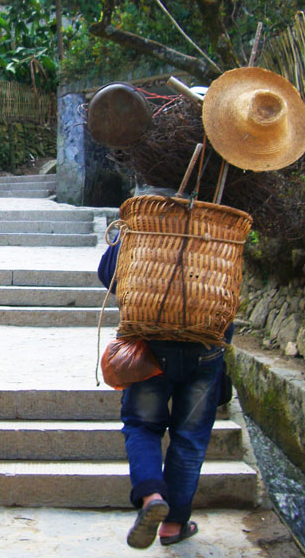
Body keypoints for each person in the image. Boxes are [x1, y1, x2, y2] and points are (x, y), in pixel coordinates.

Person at [98, 193, 232, 549]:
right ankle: (173, 526)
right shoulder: (219, 228)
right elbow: (228, 295)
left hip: (149, 346)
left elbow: (107, 273)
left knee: (142, 425)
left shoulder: (144, 222)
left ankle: (151, 497)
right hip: (205, 349)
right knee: (189, 439)